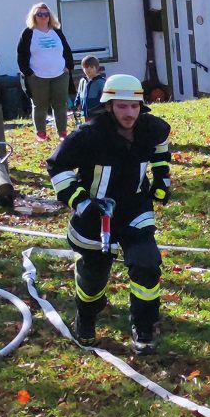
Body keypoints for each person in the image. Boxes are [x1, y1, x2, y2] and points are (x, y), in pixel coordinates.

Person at [47, 73, 172, 351]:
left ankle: (144, 328)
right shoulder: (88, 135)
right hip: (95, 214)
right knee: (93, 279)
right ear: (108, 106)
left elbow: (161, 147)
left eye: (135, 107)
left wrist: (162, 177)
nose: (130, 114)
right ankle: (87, 317)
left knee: (147, 265)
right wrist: (81, 203)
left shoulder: (151, 129)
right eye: (122, 107)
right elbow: (57, 166)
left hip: (135, 209)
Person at [16, 3, 76, 142]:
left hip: (60, 74)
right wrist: (29, 72)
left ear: (50, 16)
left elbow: (66, 50)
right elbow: (21, 55)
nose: (43, 17)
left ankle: (62, 133)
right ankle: (41, 134)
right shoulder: (28, 33)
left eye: (46, 14)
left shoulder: (56, 32)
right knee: (39, 105)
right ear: (34, 16)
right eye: (39, 14)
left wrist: (68, 67)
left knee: (60, 104)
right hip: (37, 77)